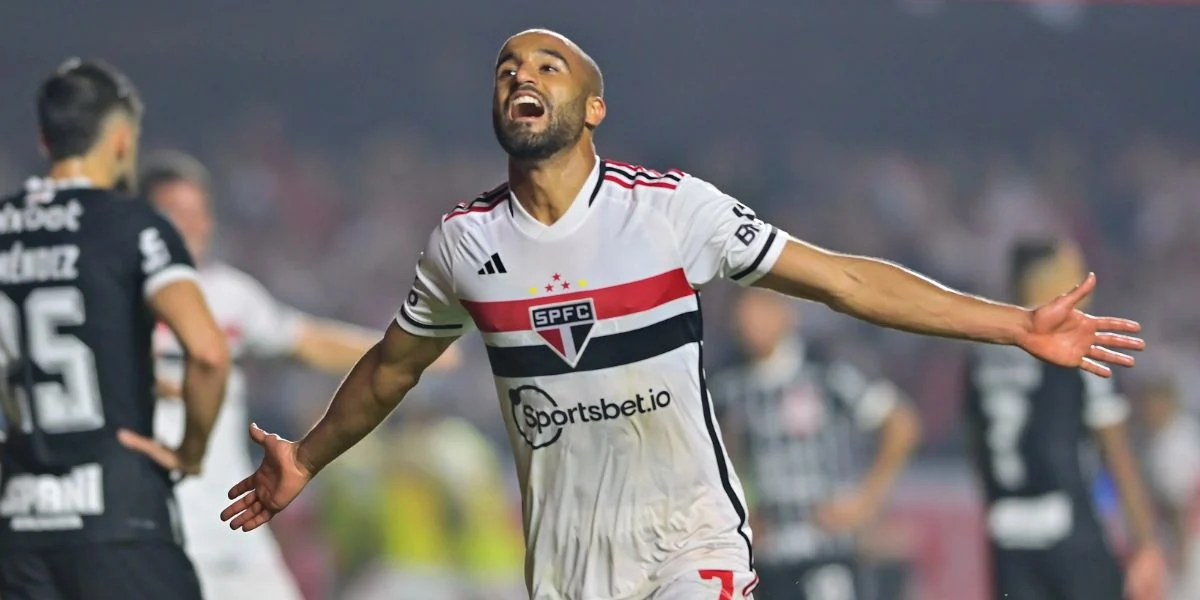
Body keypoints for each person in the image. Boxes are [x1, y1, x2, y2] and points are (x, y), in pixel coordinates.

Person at [221, 29, 1145, 600]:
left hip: (688, 538)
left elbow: (843, 280)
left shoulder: (669, 211)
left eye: (546, 64)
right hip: (567, 565)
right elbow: (392, 366)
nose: (519, 75)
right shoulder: (462, 245)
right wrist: (306, 454)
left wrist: (1012, 324)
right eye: (505, 68)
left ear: (593, 107)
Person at [132, 150, 461, 600]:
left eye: (198, 212)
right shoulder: (113, 296)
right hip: (155, 530)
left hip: (234, 527)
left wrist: (405, 349)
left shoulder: (230, 295)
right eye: (174, 212)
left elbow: (308, 341)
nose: (190, 224)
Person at [0, 59, 230, 600]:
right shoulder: (134, 224)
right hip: (119, 523)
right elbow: (208, 355)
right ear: (123, 140)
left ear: (44, 138)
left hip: (19, 527)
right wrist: (189, 451)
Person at [962, 239, 1166, 600]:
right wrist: (1146, 542)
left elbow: (975, 446)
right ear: (1045, 284)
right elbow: (1117, 455)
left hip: (1007, 535)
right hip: (1070, 536)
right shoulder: (1077, 351)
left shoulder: (982, 357)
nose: (1085, 283)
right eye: (1073, 273)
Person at [712, 288, 921, 600]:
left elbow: (901, 423)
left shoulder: (826, 371)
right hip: (763, 557)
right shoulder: (726, 384)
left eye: (762, 310)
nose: (752, 322)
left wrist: (866, 499)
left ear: (787, 313)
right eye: (744, 313)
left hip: (827, 549)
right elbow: (714, 452)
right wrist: (739, 508)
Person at [1137, 377, 1200, 600]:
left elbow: (1179, 503)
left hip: (1188, 538)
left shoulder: (1173, 444)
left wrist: (1180, 548)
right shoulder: (1184, 430)